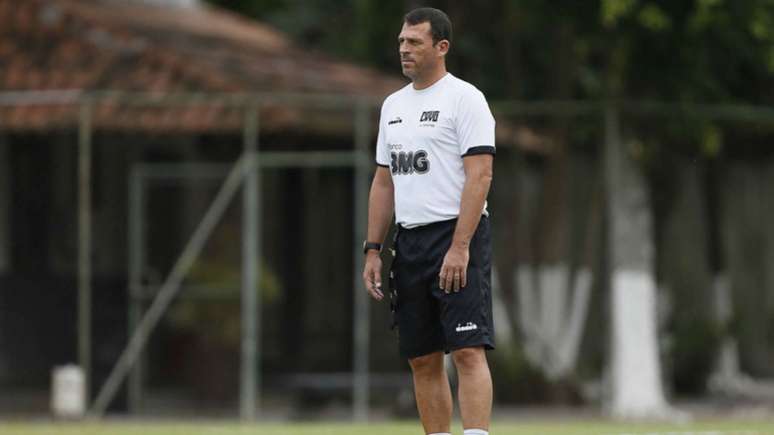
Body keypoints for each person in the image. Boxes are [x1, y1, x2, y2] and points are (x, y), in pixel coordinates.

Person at [361, 7, 496, 435]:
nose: (404, 49)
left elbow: (481, 175)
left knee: (468, 350)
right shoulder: (392, 107)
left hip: (456, 234)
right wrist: (373, 249)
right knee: (421, 357)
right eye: (402, 41)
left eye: (414, 42)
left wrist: (460, 246)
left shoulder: (465, 98)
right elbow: (384, 182)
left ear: (441, 47)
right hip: (411, 241)